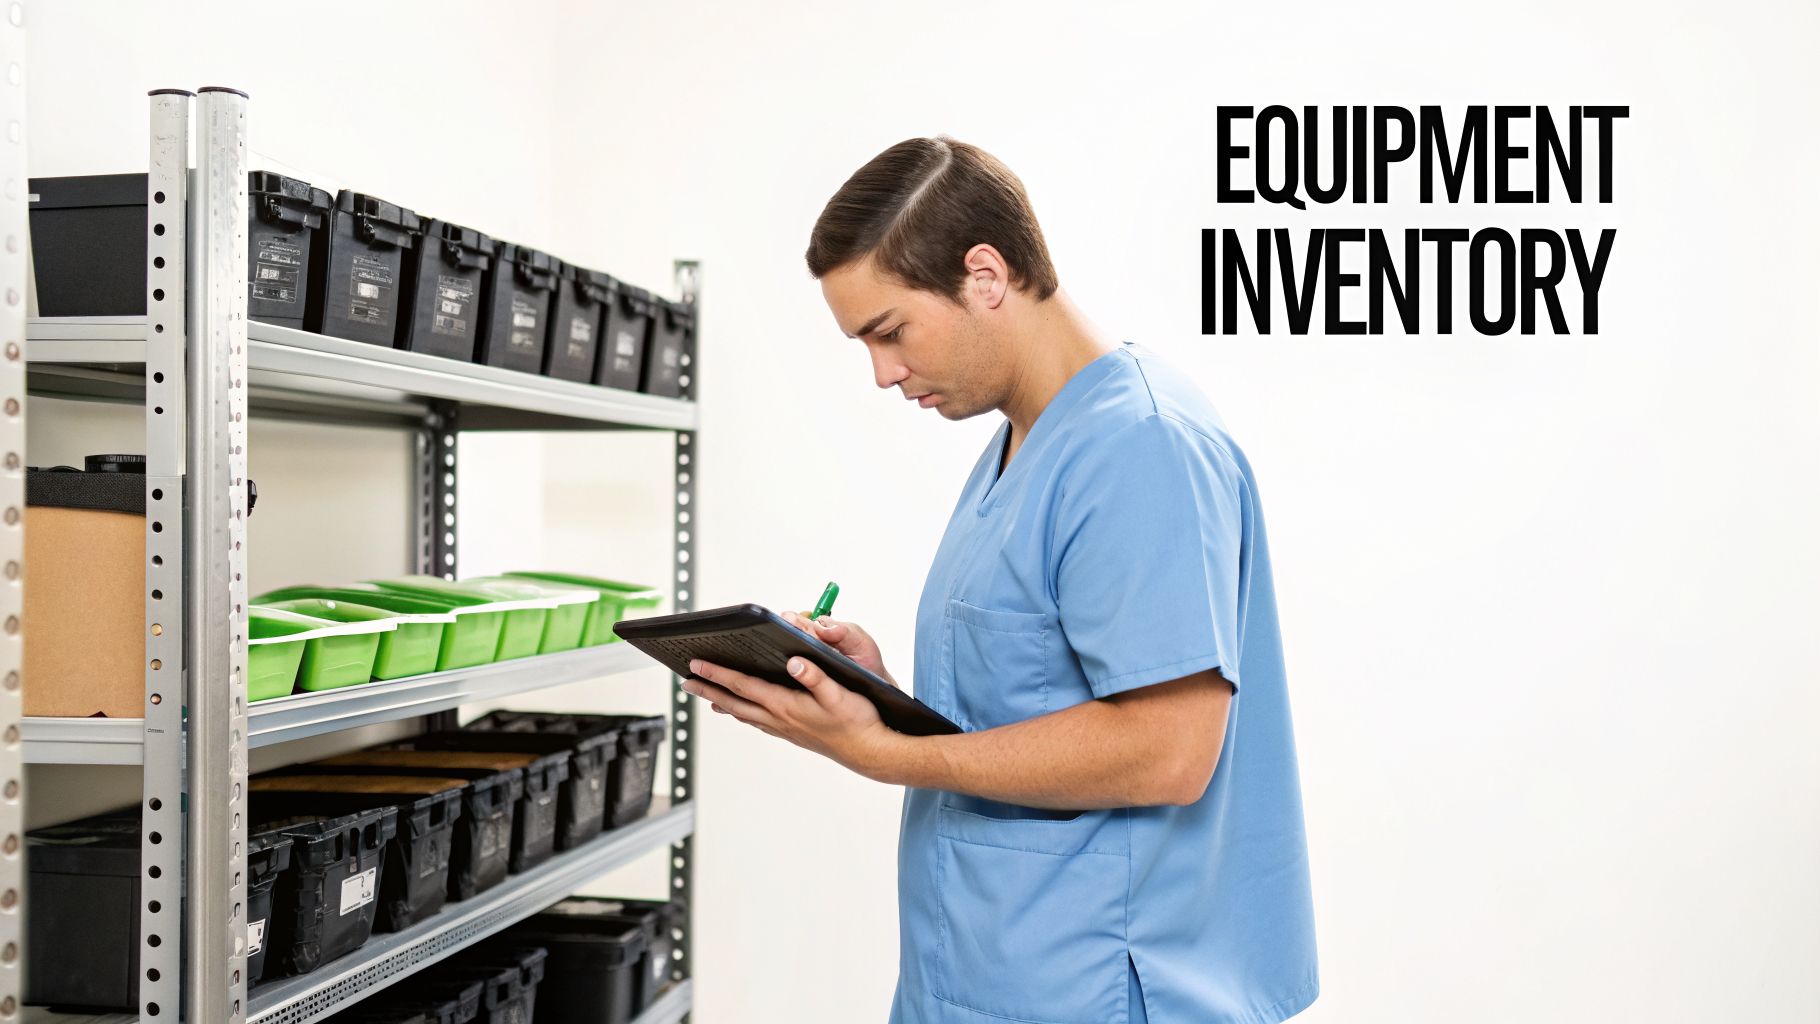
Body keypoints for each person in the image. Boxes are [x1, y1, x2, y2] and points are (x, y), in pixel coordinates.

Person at [681, 137, 1319, 1024]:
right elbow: (1035, 701)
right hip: (978, 974)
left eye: (890, 331)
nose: (882, 372)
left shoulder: (1140, 445)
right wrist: (881, 696)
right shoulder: (1022, 440)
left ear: (986, 274)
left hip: (1097, 984)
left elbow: (1170, 750)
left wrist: (884, 753)